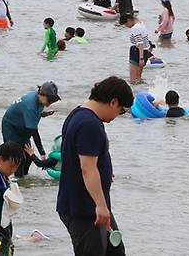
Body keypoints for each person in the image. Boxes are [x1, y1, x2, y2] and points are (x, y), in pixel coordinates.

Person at [57, 76, 133, 256]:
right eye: (121, 111)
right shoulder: (89, 124)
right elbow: (87, 168)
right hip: (85, 209)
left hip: (93, 206)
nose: (117, 117)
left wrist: (105, 173)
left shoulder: (78, 114)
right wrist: (100, 204)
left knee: (116, 251)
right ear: (113, 102)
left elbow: (83, 160)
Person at [1, 82, 60, 177]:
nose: (50, 103)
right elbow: (34, 132)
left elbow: (31, 115)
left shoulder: (38, 100)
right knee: (18, 159)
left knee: (28, 158)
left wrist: (42, 114)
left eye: (53, 101)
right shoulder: (30, 104)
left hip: (23, 127)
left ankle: (24, 182)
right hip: (11, 128)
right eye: (50, 100)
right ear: (41, 93)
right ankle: (19, 183)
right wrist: (42, 153)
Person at [123, 14, 152, 83]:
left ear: (128, 20)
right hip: (144, 52)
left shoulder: (135, 28)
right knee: (138, 78)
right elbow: (146, 40)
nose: (126, 26)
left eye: (125, 24)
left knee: (133, 80)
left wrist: (141, 58)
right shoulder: (141, 24)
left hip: (137, 52)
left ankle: (135, 92)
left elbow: (140, 43)